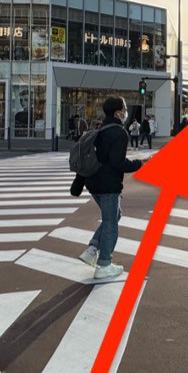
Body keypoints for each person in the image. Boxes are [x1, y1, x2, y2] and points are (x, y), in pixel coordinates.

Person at [77, 96, 144, 279]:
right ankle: (104, 264)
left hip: (93, 183)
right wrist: (140, 164)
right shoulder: (119, 133)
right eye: (124, 108)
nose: (126, 112)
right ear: (118, 113)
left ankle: (92, 249)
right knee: (111, 224)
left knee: (114, 215)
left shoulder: (100, 129)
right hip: (108, 185)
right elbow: (118, 163)